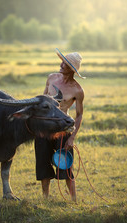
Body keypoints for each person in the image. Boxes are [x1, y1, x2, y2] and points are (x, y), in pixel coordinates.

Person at [35, 48, 85, 202]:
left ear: (72, 69)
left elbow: (79, 115)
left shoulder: (77, 90)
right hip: (44, 129)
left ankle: (74, 200)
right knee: (43, 162)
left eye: (66, 63)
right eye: (62, 61)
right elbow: (42, 100)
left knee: (65, 164)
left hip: (63, 130)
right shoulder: (51, 78)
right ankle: (45, 198)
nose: (62, 64)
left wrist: (72, 138)